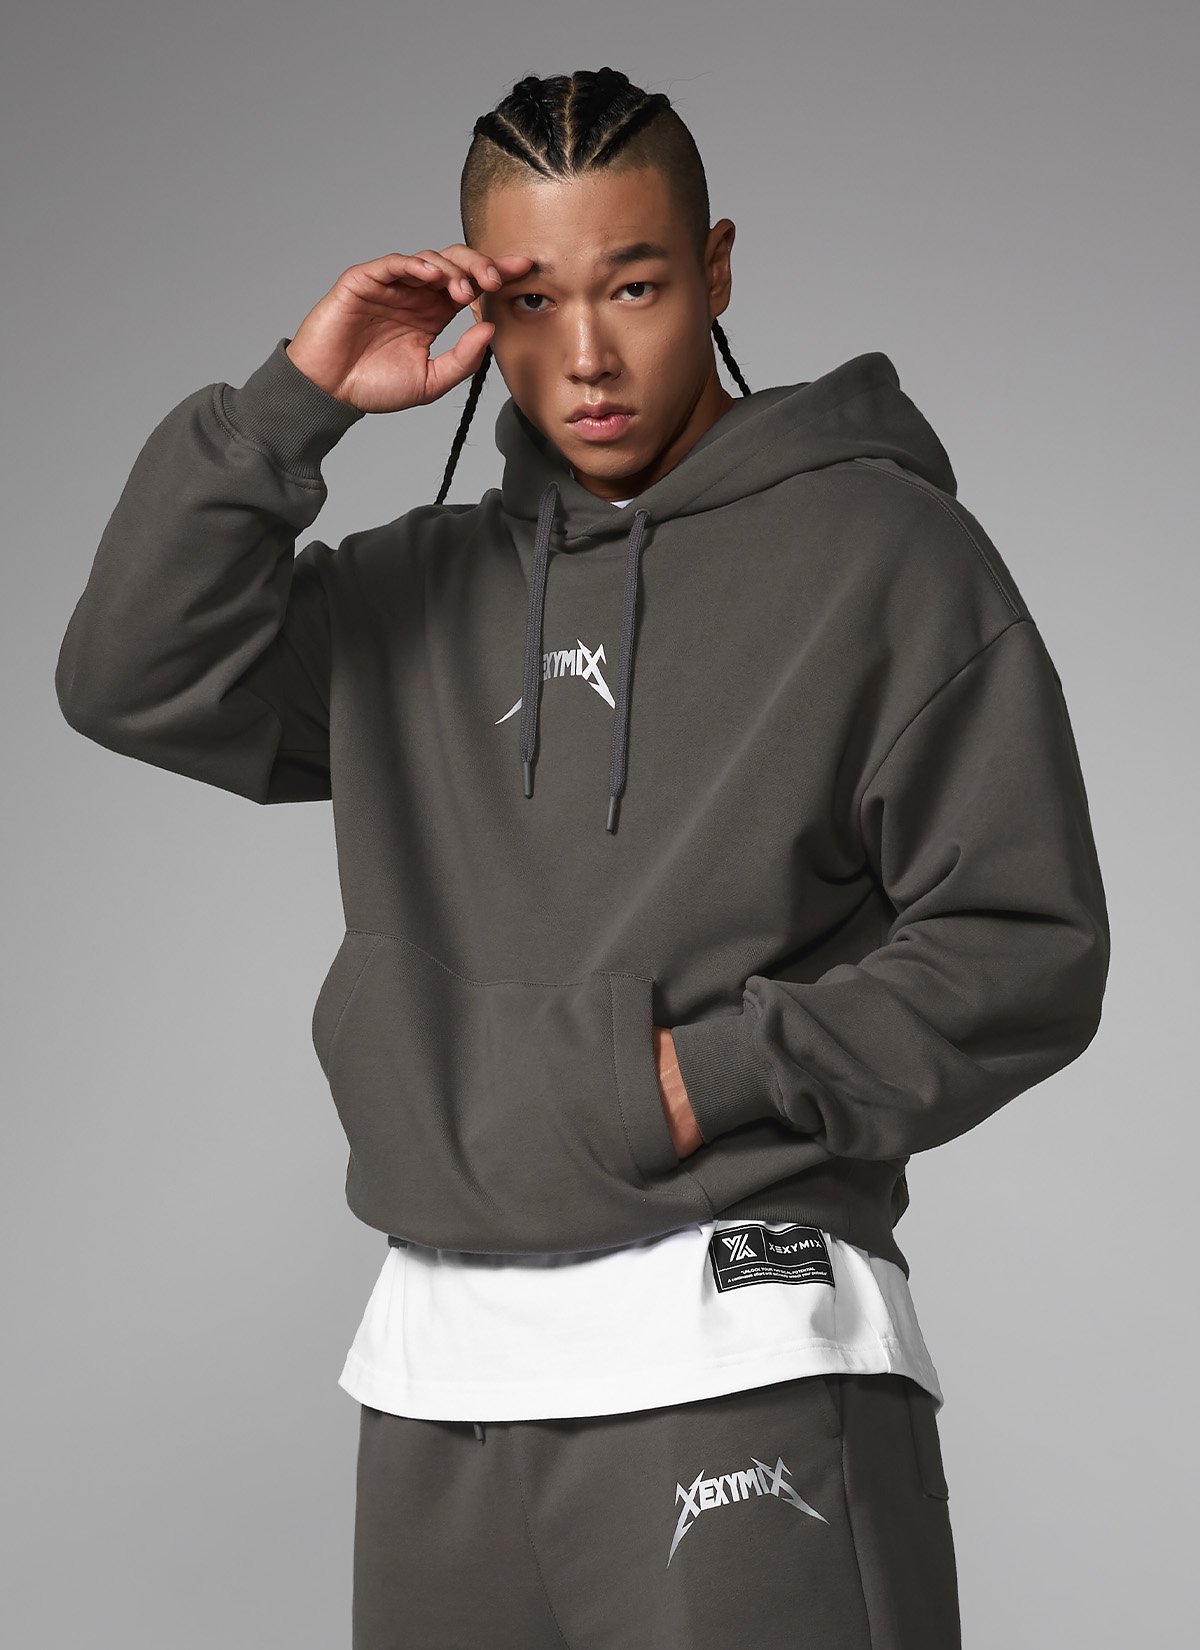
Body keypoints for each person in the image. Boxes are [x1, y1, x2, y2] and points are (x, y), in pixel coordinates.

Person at [56, 65, 1109, 1650]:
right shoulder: (409, 595)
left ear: (718, 268)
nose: (591, 356)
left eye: (636, 284)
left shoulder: (886, 560)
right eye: (534, 300)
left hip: (743, 1350)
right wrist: (295, 399)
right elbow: (128, 674)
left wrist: (690, 1080)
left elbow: (1024, 946)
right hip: (441, 1377)